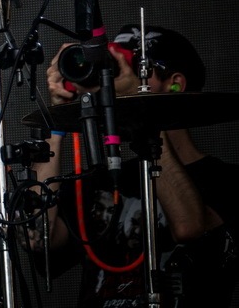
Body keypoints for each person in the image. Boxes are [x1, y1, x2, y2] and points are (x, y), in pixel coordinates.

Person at [29, 24, 238, 307]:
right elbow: (38, 238)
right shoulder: (100, 182)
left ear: (175, 84)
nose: (115, 77)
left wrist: (138, 104)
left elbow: (189, 228)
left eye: (137, 67)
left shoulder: (226, 180)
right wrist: (56, 121)